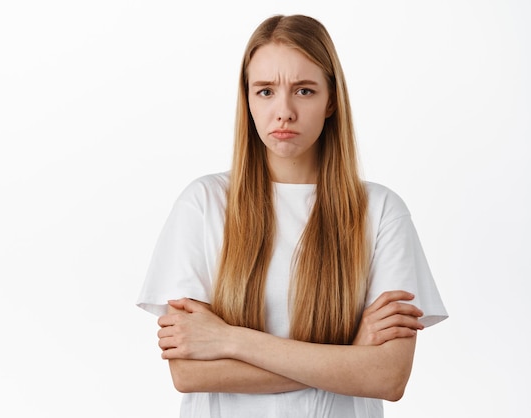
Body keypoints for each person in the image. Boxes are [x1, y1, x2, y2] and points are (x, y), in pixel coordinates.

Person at [136, 14, 448, 418]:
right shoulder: (204, 204)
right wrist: (350, 357)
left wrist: (229, 340)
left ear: (331, 99)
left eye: (304, 90)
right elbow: (190, 372)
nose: (283, 111)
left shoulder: (381, 212)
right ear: (247, 100)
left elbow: (387, 378)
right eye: (265, 91)